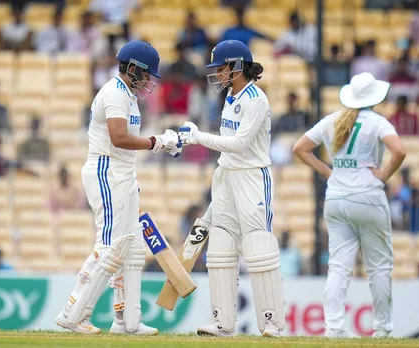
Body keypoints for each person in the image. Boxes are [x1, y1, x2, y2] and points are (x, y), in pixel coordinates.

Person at [55, 40, 181, 335]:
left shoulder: (129, 95)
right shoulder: (113, 92)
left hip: (123, 173)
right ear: (134, 68)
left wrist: (165, 142)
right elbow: (119, 138)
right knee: (110, 246)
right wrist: (157, 142)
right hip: (106, 171)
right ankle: (72, 315)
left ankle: (126, 321)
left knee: (130, 248)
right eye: (147, 74)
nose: (149, 81)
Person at [178, 40, 285, 337]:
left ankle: (272, 322)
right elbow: (228, 148)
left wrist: (199, 137)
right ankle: (222, 322)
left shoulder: (256, 99)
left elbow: (240, 144)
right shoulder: (230, 96)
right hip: (226, 174)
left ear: (237, 67)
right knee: (221, 247)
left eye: (221, 68)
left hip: (251, 175)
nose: (217, 74)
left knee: (258, 247)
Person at [293, 72, 406, 338]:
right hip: (368, 197)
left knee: (338, 266)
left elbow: (300, 148)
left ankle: (333, 327)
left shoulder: (332, 120)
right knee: (378, 266)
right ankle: (382, 329)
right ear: (374, 98)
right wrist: (385, 175)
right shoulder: (378, 122)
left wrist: (328, 172)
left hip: (336, 198)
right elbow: (399, 151)